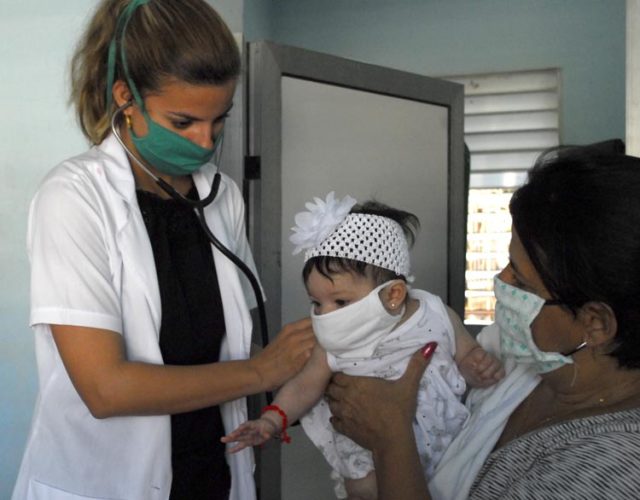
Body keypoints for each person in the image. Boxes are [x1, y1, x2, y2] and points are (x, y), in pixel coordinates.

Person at [12, 1, 316, 499]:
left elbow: (229, 350)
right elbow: (105, 389)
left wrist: (318, 362)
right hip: (107, 483)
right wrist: (262, 371)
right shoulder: (73, 197)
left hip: (211, 474)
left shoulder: (222, 196)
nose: (204, 142)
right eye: (183, 122)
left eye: (218, 121)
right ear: (125, 97)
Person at [325, 146, 640, 499]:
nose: (501, 281)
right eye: (508, 264)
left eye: (521, 282)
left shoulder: (613, 468)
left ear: (595, 323)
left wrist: (390, 439)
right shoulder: (522, 364)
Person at [222, 193, 503, 499]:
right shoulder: (333, 341)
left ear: (393, 295)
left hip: (448, 450)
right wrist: (271, 420)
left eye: (341, 302)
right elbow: (304, 386)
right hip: (368, 466)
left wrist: (477, 365)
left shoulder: (435, 313)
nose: (325, 314)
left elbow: (465, 353)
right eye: (317, 303)